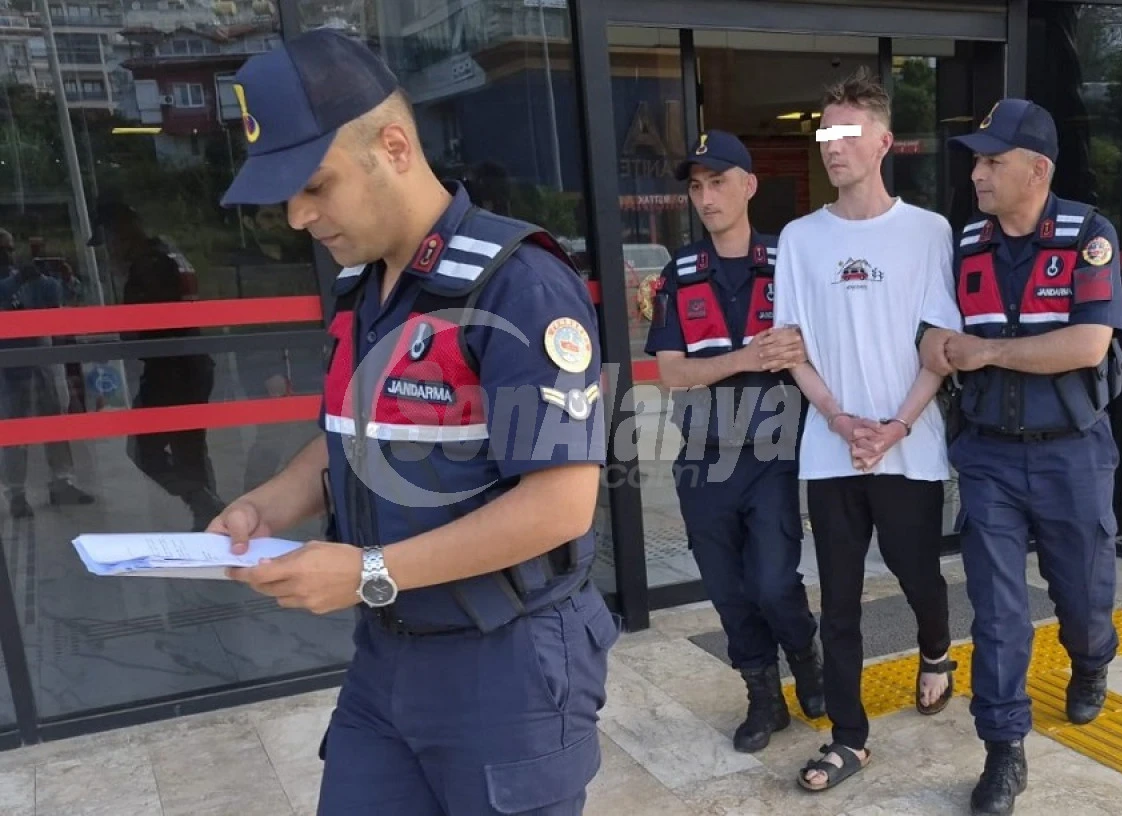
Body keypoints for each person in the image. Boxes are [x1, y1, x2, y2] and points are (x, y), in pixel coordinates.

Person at [210, 29, 617, 816]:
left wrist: (366, 571)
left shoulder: (518, 285)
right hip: (386, 658)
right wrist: (266, 506)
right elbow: (351, 440)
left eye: (316, 185)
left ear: (393, 146)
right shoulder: (363, 290)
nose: (297, 216)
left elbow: (560, 505)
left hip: (507, 666)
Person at [922, 98, 1122, 816]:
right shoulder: (963, 244)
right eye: (976, 161)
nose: (977, 174)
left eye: (992, 161)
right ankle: (1004, 749)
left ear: (1037, 170)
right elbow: (932, 335)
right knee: (998, 613)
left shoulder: (1088, 236)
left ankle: (1091, 659)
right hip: (988, 459)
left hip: (1073, 455)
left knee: (1083, 598)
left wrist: (987, 352)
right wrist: (940, 346)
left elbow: (1088, 345)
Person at [771, 67, 961, 792]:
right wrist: (839, 417)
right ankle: (849, 738)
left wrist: (896, 425)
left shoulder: (927, 232)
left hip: (909, 447)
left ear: (884, 142)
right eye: (825, 133)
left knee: (918, 575)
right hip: (832, 450)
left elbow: (940, 344)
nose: (833, 145)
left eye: (848, 133)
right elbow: (791, 345)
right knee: (840, 601)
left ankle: (936, 649)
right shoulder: (800, 238)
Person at [643, 129, 825, 753]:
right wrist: (746, 358)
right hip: (702, 457)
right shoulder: (679, 274)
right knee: (728, 590)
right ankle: (763, 697)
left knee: (773, 581)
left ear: (749, 185)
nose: (706, 198)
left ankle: (806, 658)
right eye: (697, 187)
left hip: (772, 453)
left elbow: (819, 346)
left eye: (718, 183)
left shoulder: (787, 263)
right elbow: (671, 374)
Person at [88, 195, 224, 532]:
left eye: (109, 239)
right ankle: (209, 513)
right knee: (189, 447)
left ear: (120, 231)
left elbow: (146, 325)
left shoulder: (148, 265)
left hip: (171, 369)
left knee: (146, 447)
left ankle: (206, 506)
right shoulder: (165, 253)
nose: (110, 249)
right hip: (187, 364)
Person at [0, 228, 94, 517]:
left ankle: (61, 482)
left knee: (55, 421)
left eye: (9, 249)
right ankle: (16, 492)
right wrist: (18, 280)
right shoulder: (14, 281)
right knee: (15, 430)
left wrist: (63, 278)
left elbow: (61, 300)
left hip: (43, 360)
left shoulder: (28, 280)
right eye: (2, 250)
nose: (7, 256)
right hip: (9, 365)